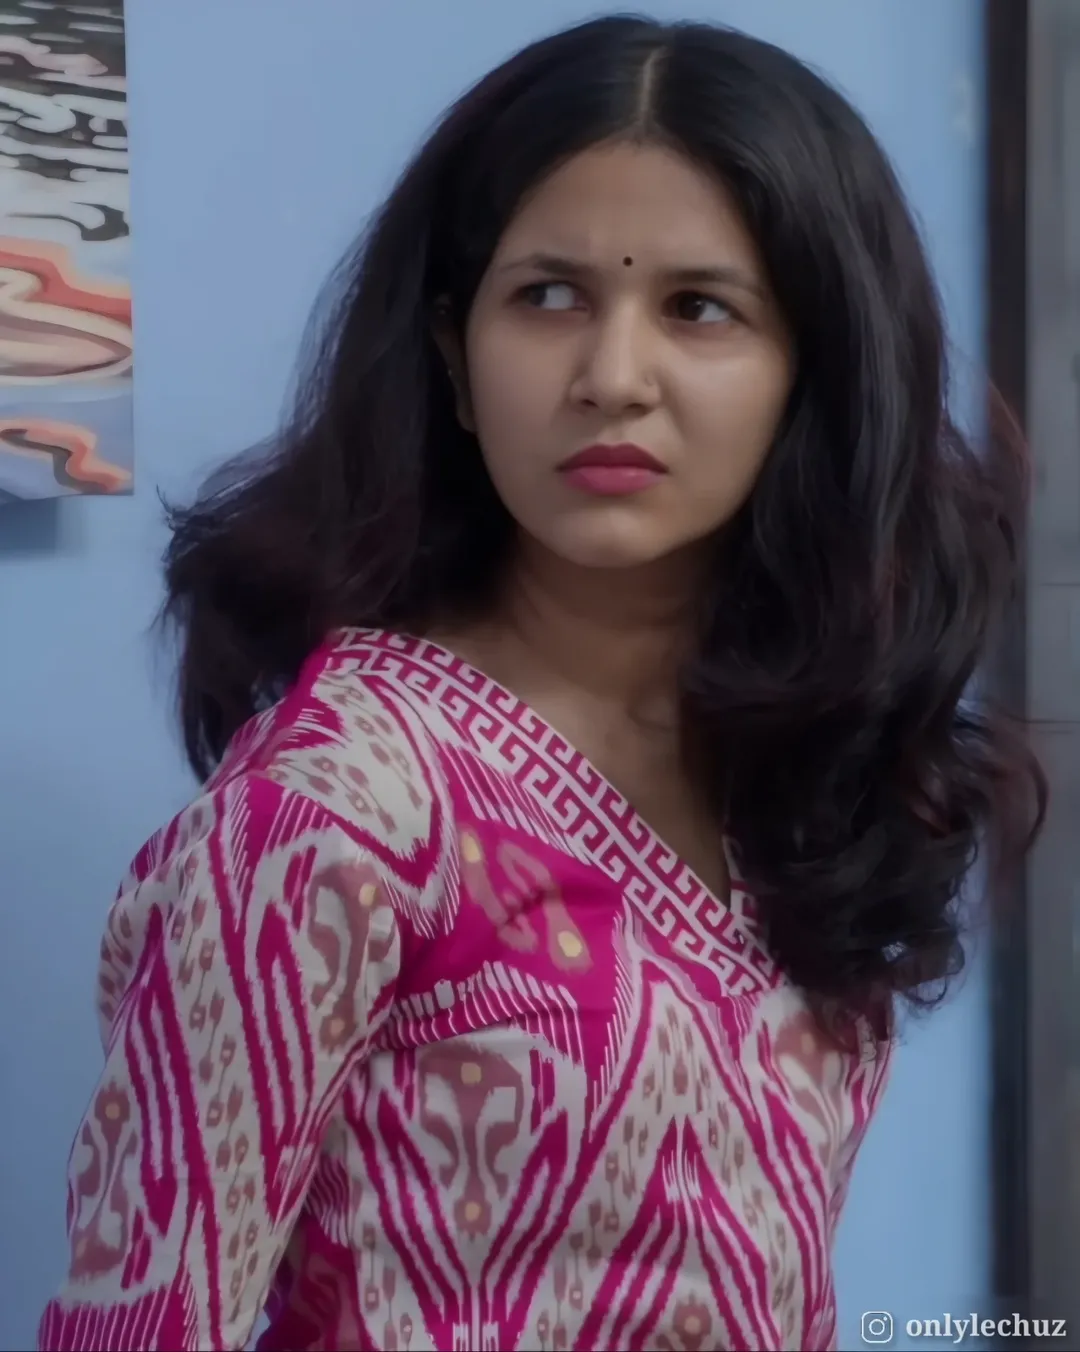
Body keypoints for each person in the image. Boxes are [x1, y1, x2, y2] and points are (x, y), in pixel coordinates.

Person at [39, 15, 1043, 1352]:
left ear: (814, 373)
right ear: (455, 360)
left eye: (698, 308)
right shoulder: (333, 812)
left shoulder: (797, 766)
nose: (612, 378)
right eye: (549, 297)